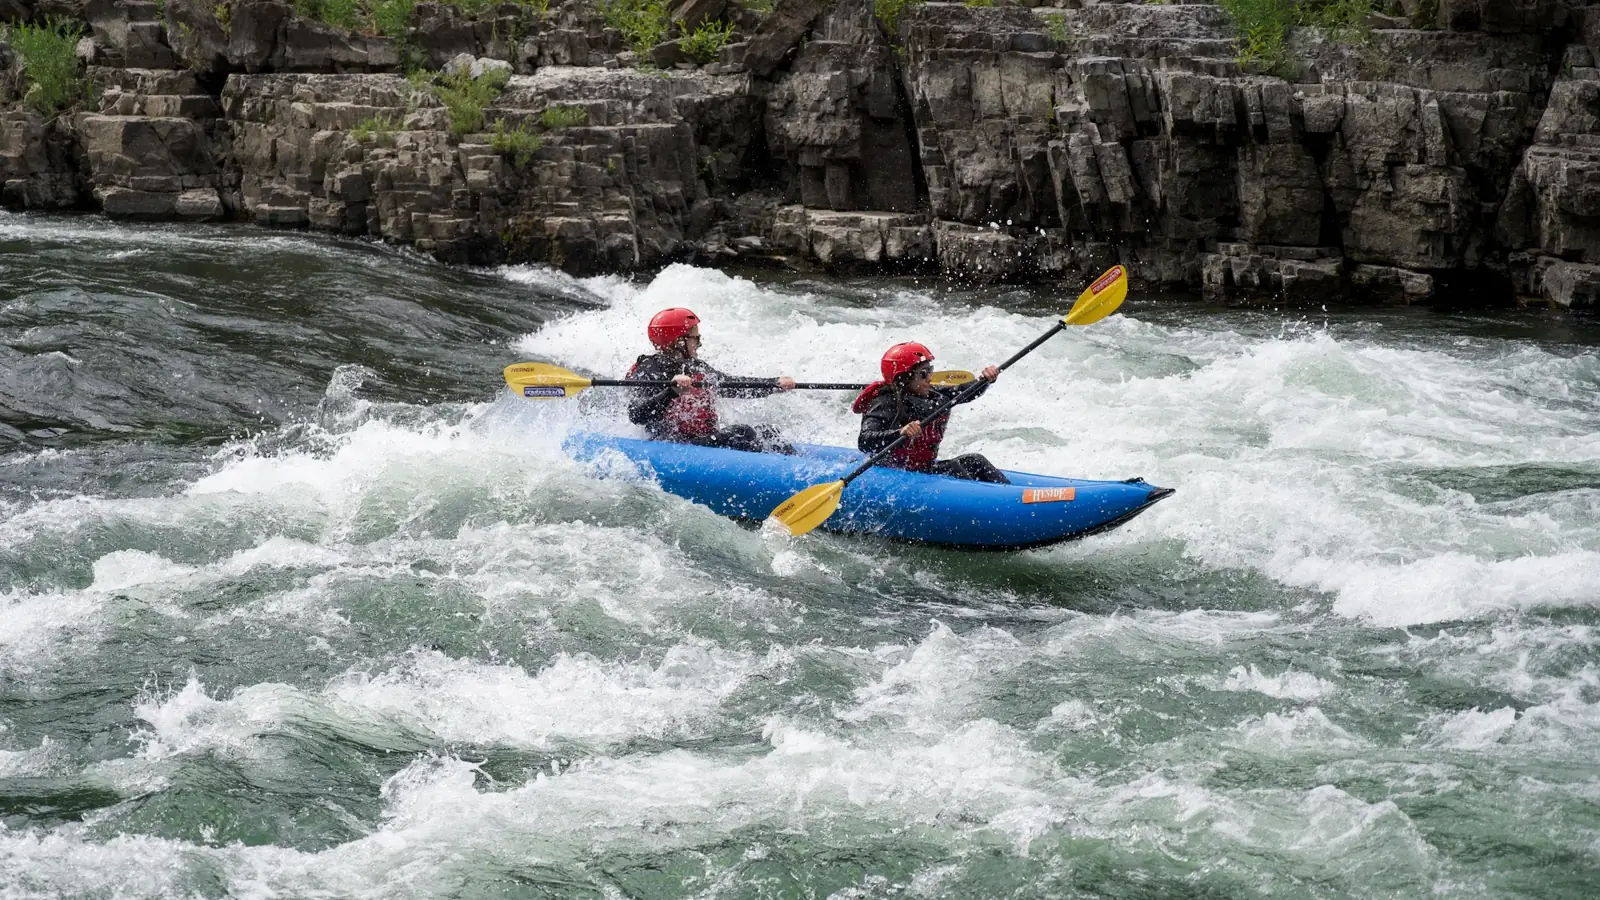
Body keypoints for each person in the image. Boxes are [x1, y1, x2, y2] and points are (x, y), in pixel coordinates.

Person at [627, 307, 797, 453]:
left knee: (768, 432)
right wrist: (671, 392)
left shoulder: (696, 366)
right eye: (695, 339)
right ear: (678, 341)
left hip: (704, 441)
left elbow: (731, 386)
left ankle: (804, 476)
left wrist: (774, 384)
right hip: (673, 445)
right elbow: (636, 415)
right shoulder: (649, 370)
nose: (699, 344)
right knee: (741, 432)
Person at [853, 342, 1009, 483]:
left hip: (924, 469)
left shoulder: (934, 396)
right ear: (904, 378)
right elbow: (865, 441)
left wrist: (985, 380)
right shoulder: (884, 402)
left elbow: (963, 392)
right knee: (953, 467)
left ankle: (1013, 498)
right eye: (923, 373)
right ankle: (982, 505)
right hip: (895, 471)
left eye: (930, 371)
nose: (929, 377)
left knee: (976, 460)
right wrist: (900, 432)